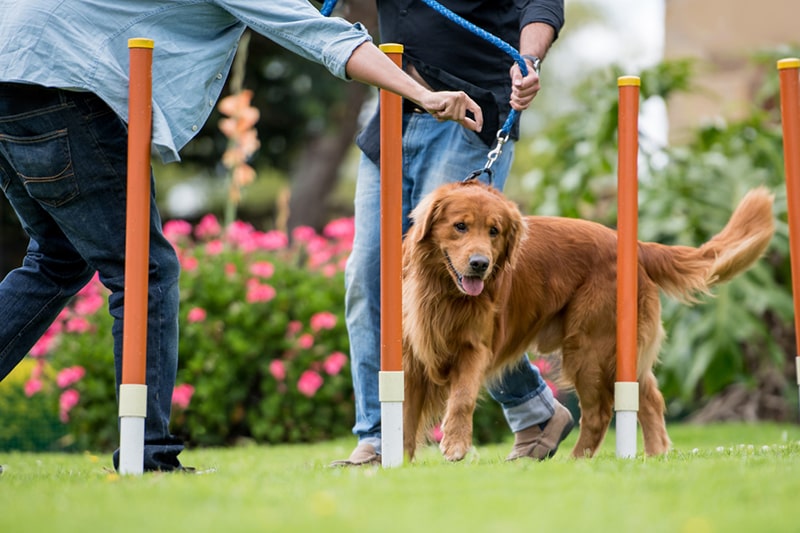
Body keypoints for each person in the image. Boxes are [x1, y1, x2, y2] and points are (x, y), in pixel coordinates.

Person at [0, 0, 483, 472]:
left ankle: (144, 451)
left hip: (12, 68)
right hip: (55, 85)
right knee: (144, 270)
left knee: (57, 259)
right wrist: (423, 94)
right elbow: (321, 36)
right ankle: (146, 455)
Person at [335, 0, 572, 466]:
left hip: (471, 116)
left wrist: (530, 60)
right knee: (368, 277)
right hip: (392, 108)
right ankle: (380, 435)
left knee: (462, 288)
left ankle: (522, 412)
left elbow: (541, 3)